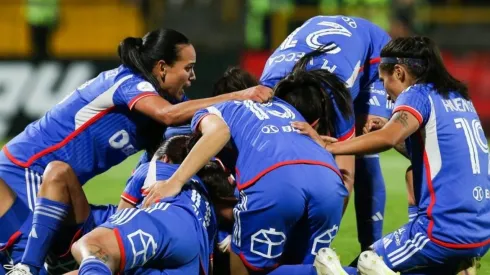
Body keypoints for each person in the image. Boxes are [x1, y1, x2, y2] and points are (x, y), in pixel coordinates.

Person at [0, 28, 271, 274]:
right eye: (188, 68)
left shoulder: (167, 101)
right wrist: (239, 95)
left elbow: (183, 143)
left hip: (56, 182)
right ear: (162, 68)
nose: (193, 77)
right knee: (22, 260)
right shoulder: (130, 83)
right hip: (27, 168)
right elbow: (168, 115)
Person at [143, 51, 350, 275]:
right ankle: (359, 271)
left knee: (244, 266)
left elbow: (218, 132)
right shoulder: (284, 108)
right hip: (330, 179)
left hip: (276, 181)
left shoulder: (218, 109)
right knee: (305, 265)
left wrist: (175, 182)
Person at [323, 36, 490, 274]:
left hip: (440, 231)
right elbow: (432, 153)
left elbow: (389, 137)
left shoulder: (418, 94)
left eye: (383, 81)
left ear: (399, 73)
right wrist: (390, 130)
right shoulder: (459, 98)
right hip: (480, 232)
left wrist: (332, 147)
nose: (386, 94)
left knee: (364, 263)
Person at [259, 15, 393, 251]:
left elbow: (345, 176)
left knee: (364, 149)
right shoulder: (266, 93)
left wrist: (318, 241)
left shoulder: (335, 96)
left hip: (373, 56)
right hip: (332, 48)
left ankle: (371, 252)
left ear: (320, 121)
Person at [70, 143, 236, 274]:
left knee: (92, 245)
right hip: (195, 257)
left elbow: (122, 214)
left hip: (171, 224)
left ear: (164, 158)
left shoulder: (156, 168)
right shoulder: (204, 197)